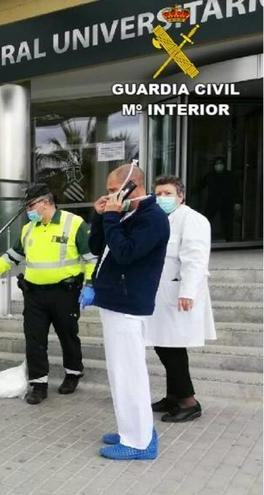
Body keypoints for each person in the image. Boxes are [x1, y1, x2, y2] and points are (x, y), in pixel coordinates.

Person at [0, 183, 97, 404]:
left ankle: (73, 372)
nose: (28, 210)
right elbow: (14, 255)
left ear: (46, 203)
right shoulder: (29, 229)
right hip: (34, 294)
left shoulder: (74, 223)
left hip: (64, 293)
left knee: (68, 335)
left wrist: (90, 285)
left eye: (31, 205)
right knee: (34, 339)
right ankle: (38, 383)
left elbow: (91, 258)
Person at [84, 163, 169, 460]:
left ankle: (139, 442)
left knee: (128, 373)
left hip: (129, 302)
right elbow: (97, 247)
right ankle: (132, 429)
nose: (109, 196)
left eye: (112, 190)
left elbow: (125, 252)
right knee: (119, 372)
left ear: (132, 186)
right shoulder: (128, 213)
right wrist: (100, 216)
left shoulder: (152, 218)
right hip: (115, 300)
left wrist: (111, 218)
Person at [148, 175, 215, 422]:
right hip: (161, 295)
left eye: (167, 193)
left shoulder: (193, 220)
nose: (161, 198)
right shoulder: (160, 219)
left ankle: (189, 401)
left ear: (180, 196)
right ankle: (173, 396)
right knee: (163, 344)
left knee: (172, 348)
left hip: (179, 295)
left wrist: (187, 292)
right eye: (158, 193)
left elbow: (195, 259)